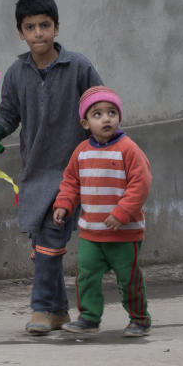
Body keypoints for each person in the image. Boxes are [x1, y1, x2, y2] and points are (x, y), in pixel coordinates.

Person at [0, 0, 103, 335]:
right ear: (20, 33)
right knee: (42, 243)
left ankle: (41, 308)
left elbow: (100, 105)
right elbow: (8, 116)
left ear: (57, 28)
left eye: (45, 25)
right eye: (31, 27)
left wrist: (106, 151)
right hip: (36, 171)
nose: (39, 33)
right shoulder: (16, 73)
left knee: (50, 238)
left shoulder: (79, 67)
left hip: (73, 170)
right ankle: (58, 311)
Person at [52, 86, 152, 338]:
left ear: (119, 117)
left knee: (128, 280)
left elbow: (141, 183)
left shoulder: (128, 149)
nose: (106, 118)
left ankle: (139, 319)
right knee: (85, 275)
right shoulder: (82, 152)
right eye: (97, 114)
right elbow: (71, 182)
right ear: (85, 123)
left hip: (125, 233)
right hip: (91, 232)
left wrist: (122, 212)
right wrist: (63, 204)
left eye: (111, 112)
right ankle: (89, 317)